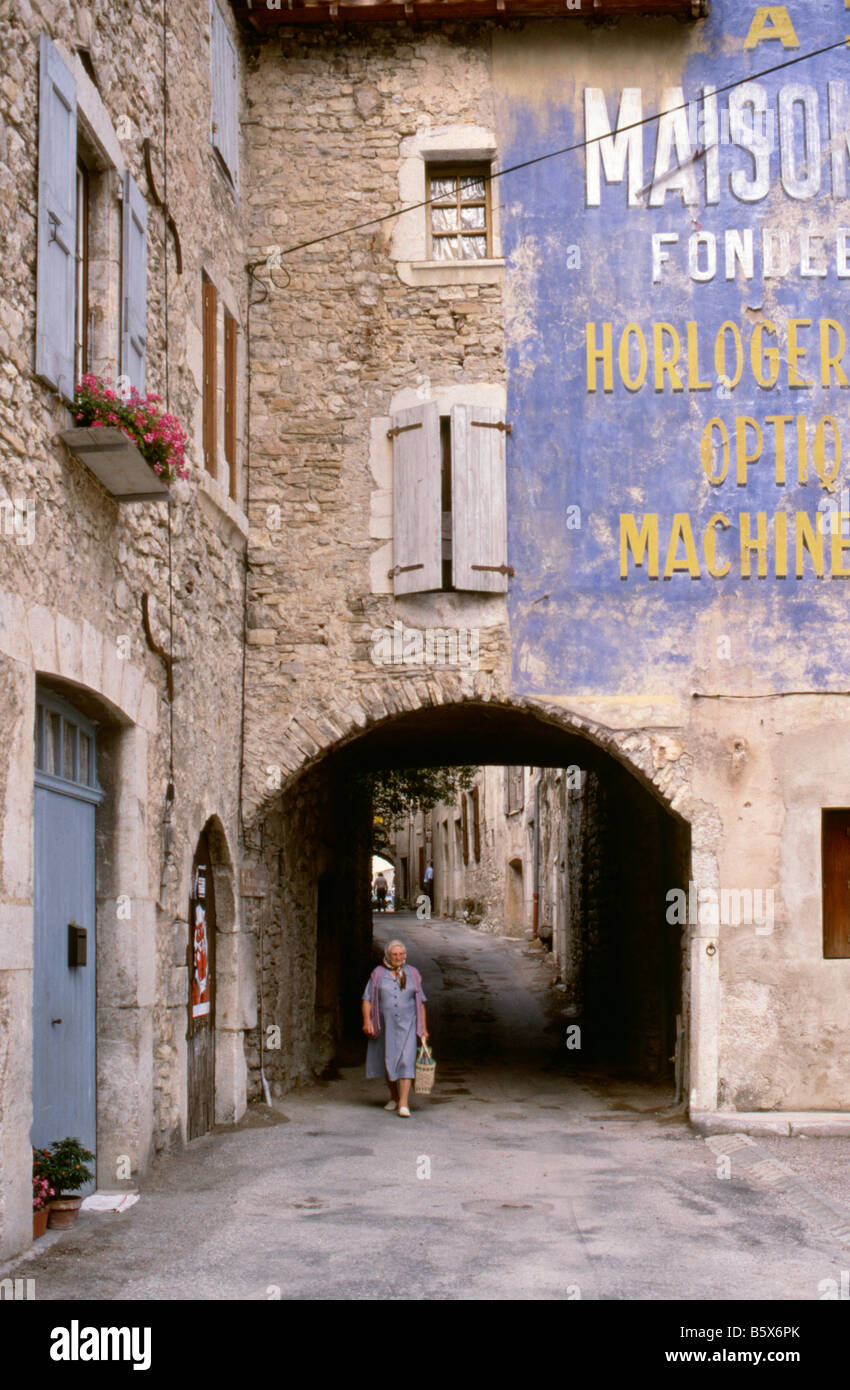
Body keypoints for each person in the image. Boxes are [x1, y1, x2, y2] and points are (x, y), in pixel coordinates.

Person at [361, 940, 428, 1117]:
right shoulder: (378, 974)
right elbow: (367, 999)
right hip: (384, 1024)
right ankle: (395, 1096)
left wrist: (424, 1029)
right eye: (395, 955)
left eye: (401, 954)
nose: (398, 958)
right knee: (388, 1061)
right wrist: (367, 1021)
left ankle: (404, 1103)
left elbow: (420, 1003)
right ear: (388, 956)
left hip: (408, 1025)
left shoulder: (412, 974)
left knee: (406, 1060)